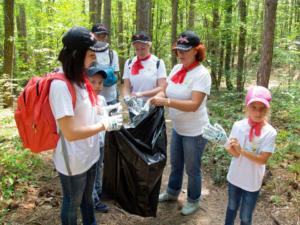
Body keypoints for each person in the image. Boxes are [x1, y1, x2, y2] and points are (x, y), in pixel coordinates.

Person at [49, 26, 123, 225]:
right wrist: (104, 125)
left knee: (88, 199)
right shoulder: (60, 85)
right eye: (90, 54)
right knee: (72, 204)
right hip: (72, 160)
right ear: (77, 54)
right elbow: (70, 132)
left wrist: (106, 114)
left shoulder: (81, 78)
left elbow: (87, 110)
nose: (94, 58)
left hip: (90, 154)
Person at [150, 31, 211, 216]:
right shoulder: (177, 69)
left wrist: (166, 102)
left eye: (185, 50)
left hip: (196, 131)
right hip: (178, 128)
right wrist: (158, 96)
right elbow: (165, 90)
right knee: (176, 164)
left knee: (192, 168)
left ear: (196, 51)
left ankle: (193, 200)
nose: (181, 54)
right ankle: (172, 192)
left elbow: (194, 105)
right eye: (178, 51)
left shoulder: (202, 74)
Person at [224, 86, 277, 225]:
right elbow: (235, 154)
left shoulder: (270, 132)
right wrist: (226, 144)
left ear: (267, 109)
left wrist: (242, 151)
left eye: (262, 108)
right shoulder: (238, 126)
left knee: (246, 216)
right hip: (235, 177)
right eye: (254, 107)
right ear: (247, 108)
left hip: (252, 181)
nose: (258, 112)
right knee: (231, 207)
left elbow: (262, 160)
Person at [86, 62, 110, 213]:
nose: (97, 85)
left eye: (100, 82)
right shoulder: (84, 101)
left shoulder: (102, 100)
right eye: (93, 82)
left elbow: (106, 121)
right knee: (91, 170)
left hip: (101, 142)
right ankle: (92, 198)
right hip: (89, 143)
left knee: (99, 166)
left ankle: (99, 190)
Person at [122, 31, 167, 102]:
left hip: (154, 104)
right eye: (137, 49)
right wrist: (127, 98)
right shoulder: (129, 63)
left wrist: (141, 94)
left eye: (143, 48)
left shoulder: (158, 62)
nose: (140, 51)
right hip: (135, 105)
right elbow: (126, 87)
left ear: (149, 45)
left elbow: (162, 87)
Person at [91, 23, 120, 105]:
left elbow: (116, 74)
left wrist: (110, 77)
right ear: (92, 35)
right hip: (93, 98)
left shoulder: (112, 53)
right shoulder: (88, 53)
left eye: (103, 36)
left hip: (111, 97)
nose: (101, 38)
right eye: (98, 35)